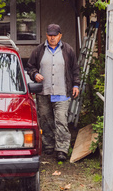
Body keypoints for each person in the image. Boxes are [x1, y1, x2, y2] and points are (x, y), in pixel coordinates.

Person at [27, 24, 80, 161]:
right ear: (46, 35)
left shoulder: (68, 50)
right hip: (44, 91)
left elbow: (75, 69)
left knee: (61, 120)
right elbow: (30, 67)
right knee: (45, 118)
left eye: (55, 35)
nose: (52, 38)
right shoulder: (38, 50)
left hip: (62, 91)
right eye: (50, 35)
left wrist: (76, 85)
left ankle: (62, 149)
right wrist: (35, 74)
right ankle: (49, 144)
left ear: (60, 36)